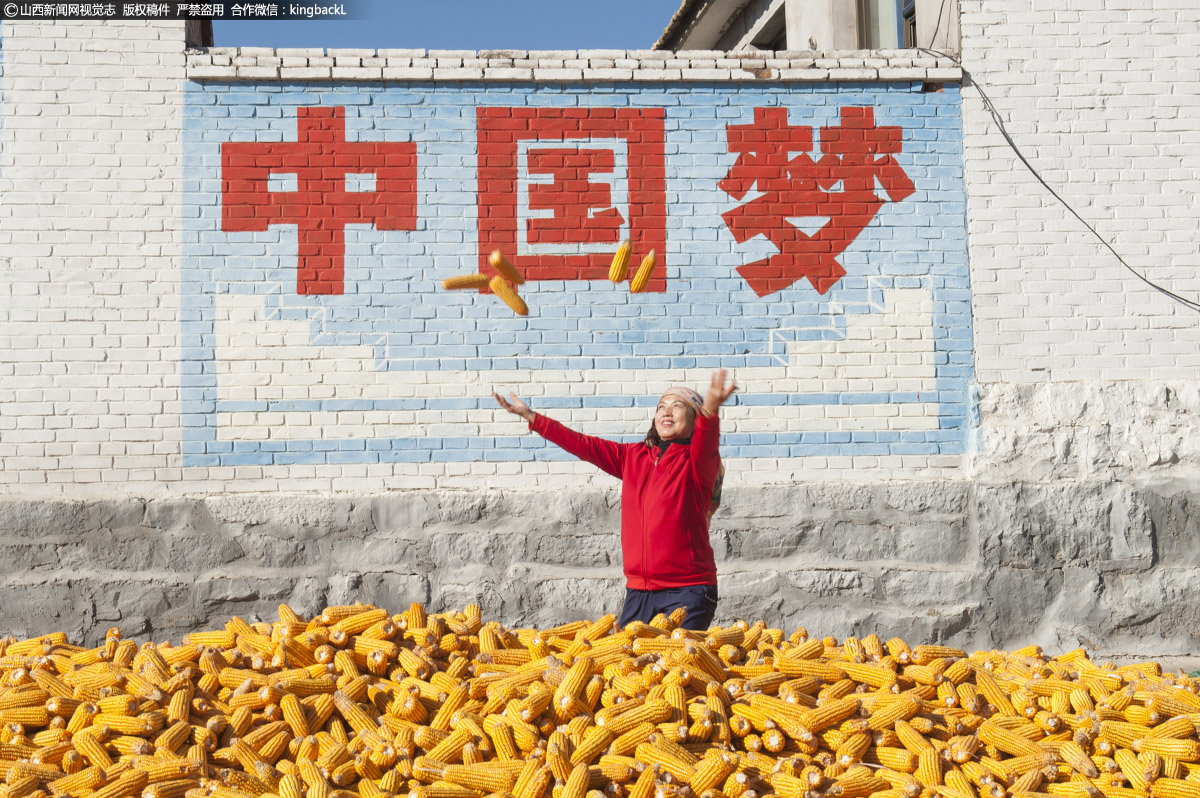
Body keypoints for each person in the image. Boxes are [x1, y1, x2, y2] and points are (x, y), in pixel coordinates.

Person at [493, 370, 737, 631]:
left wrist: (710, 410)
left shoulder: (697, 464)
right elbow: (583, 445)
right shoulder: (632, 456)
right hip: (639, 593)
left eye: (678, 406)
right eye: (661, 407)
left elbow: (707, 441)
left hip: (688, 591)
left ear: (694, 417)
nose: (667, 412)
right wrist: (532, 418)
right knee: (630, 668)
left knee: (677, 665)